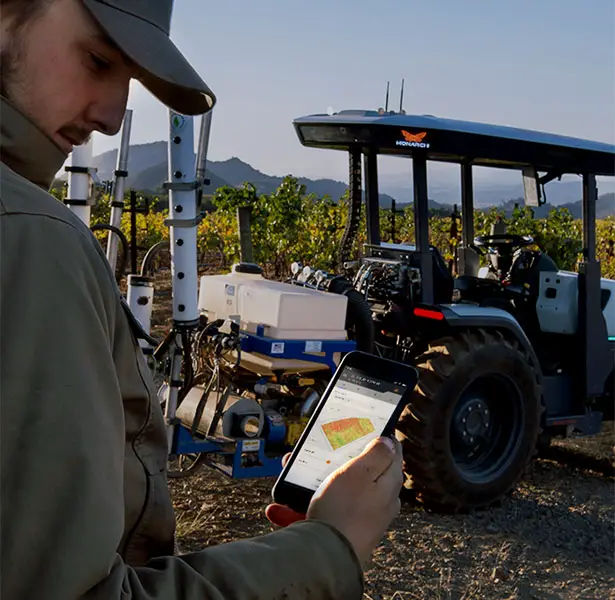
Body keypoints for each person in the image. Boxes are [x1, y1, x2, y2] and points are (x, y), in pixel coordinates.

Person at [0, 1, 404, 598]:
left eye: (129, 82)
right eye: (97, 59)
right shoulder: (33, 235)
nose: (113, 115)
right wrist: (328, 546)